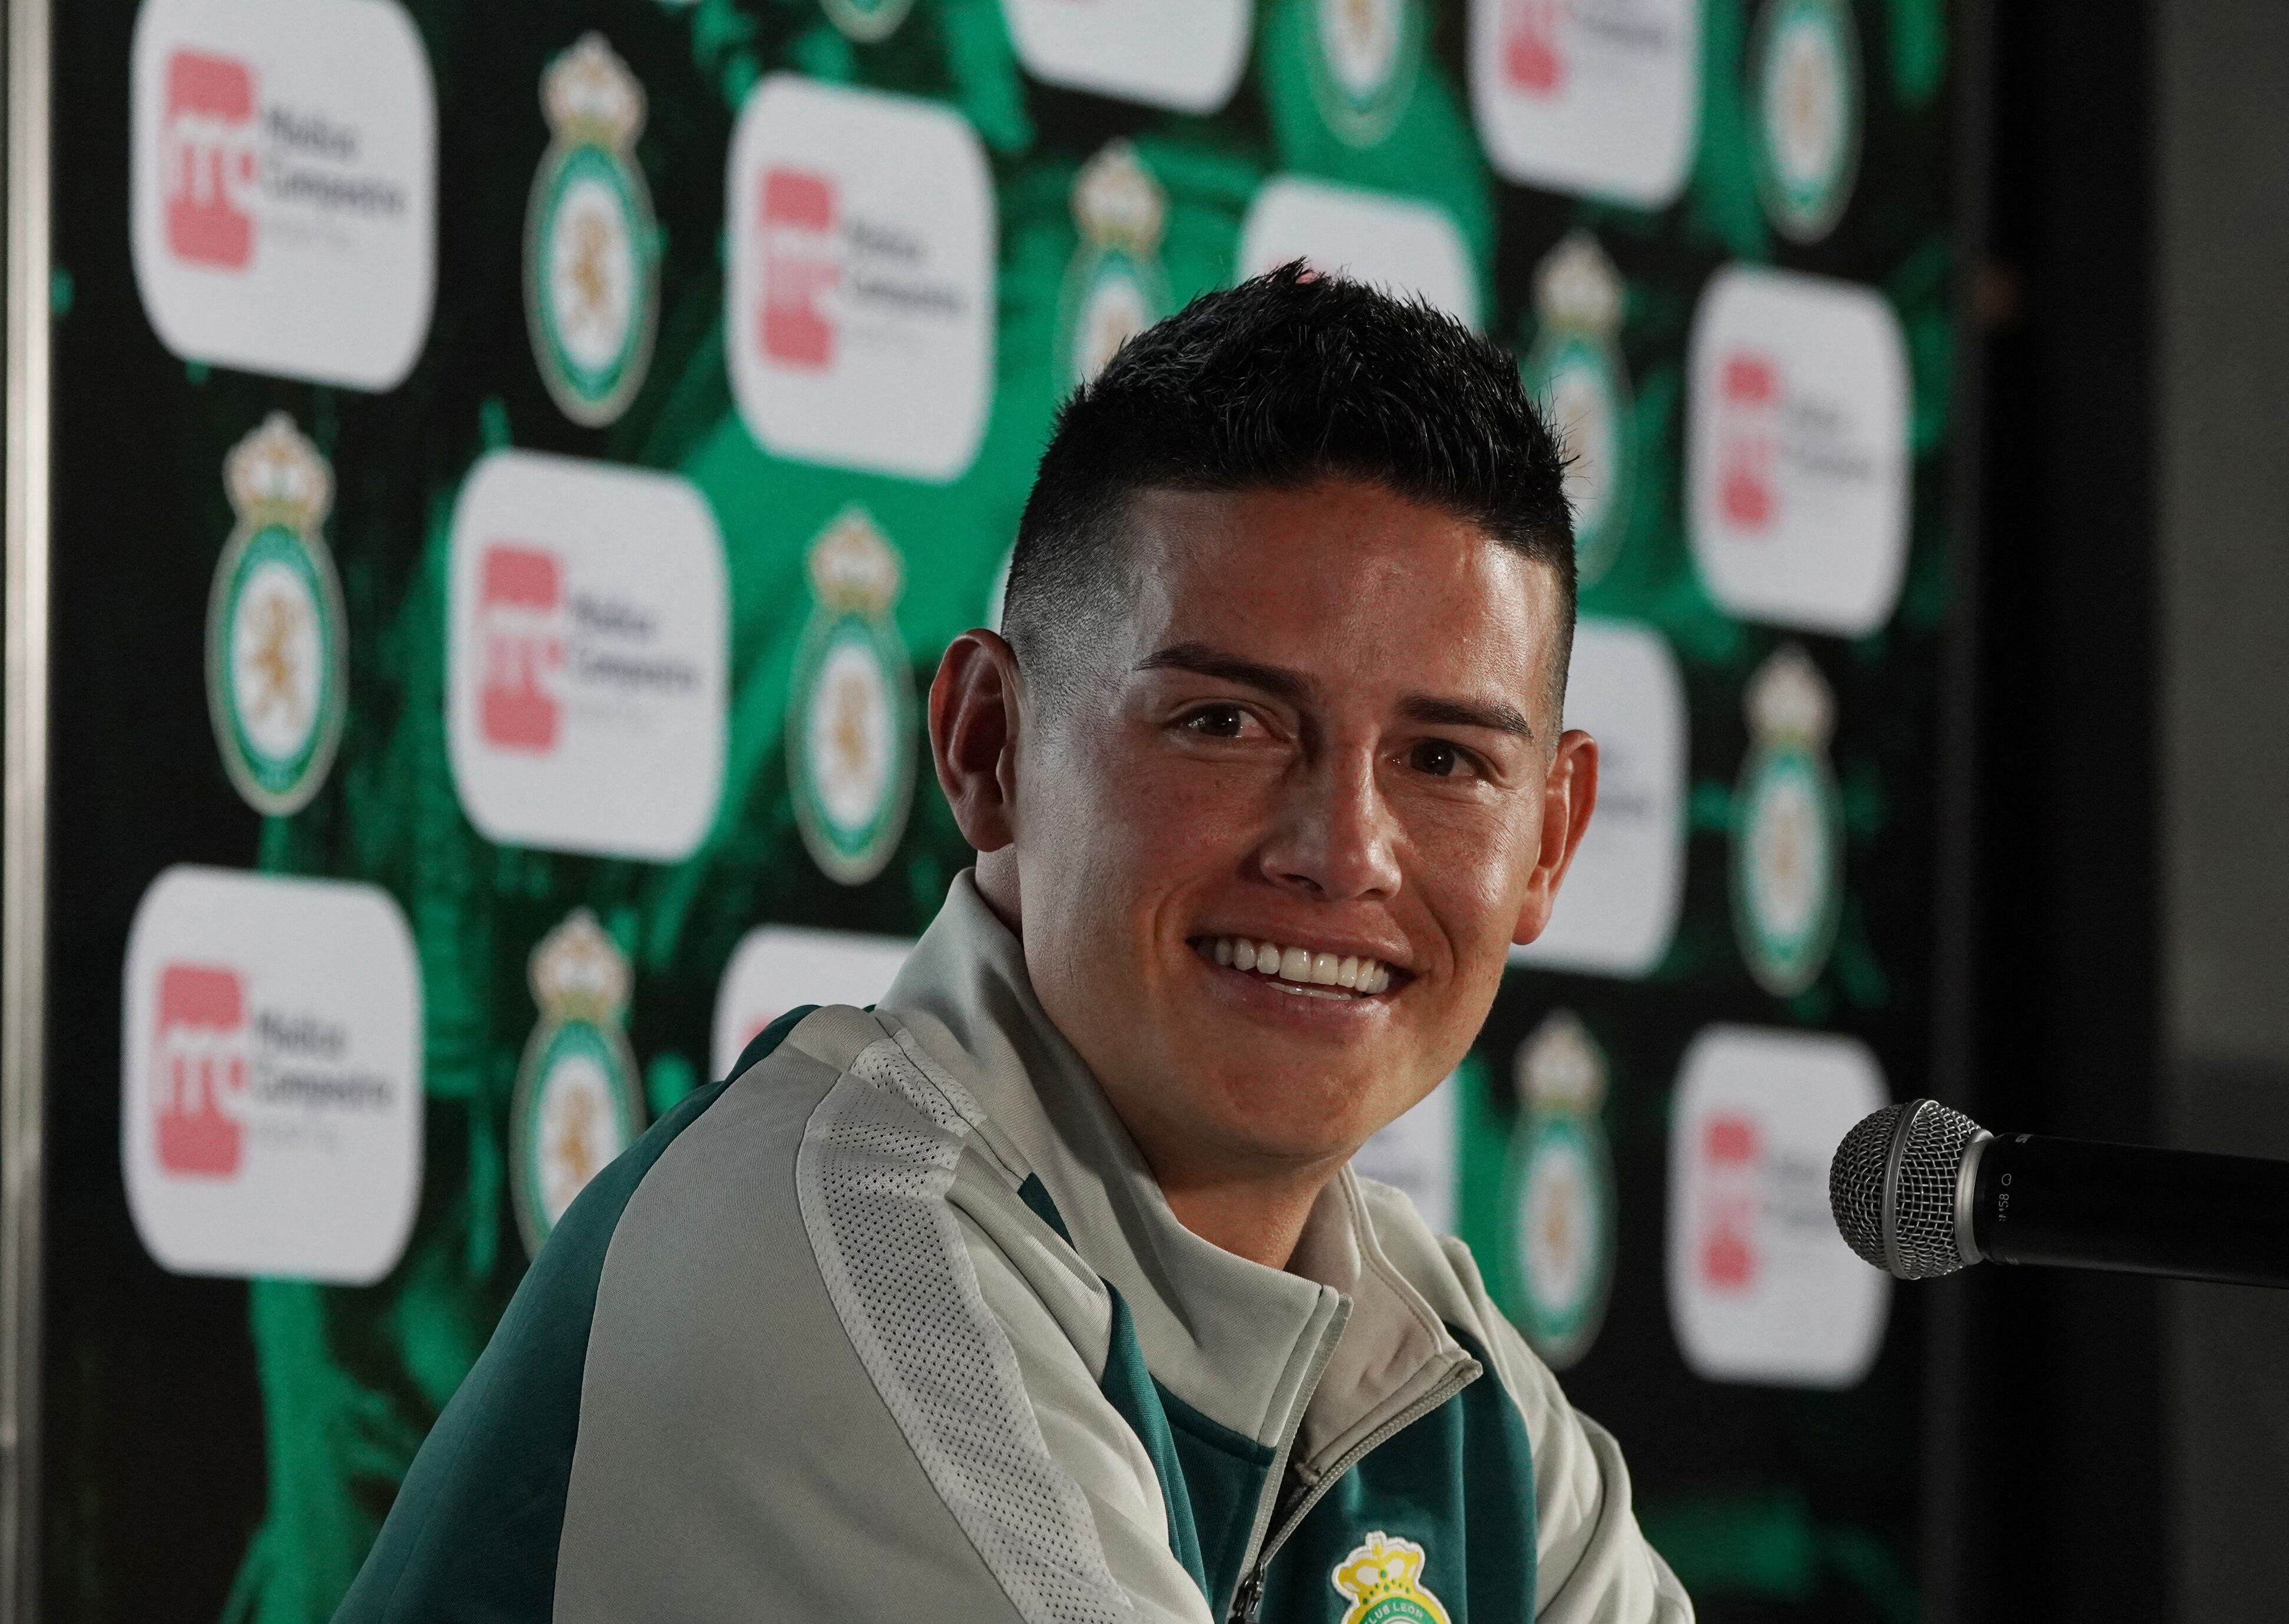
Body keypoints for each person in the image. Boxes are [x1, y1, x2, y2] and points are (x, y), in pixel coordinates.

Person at [335, 265, 1692, 1624]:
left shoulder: (1452, 1385)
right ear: (988, 745)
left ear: (1550, 841)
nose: (1343, 851)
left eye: (1445, 758)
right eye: (1224, 723)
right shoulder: (839, 1246)